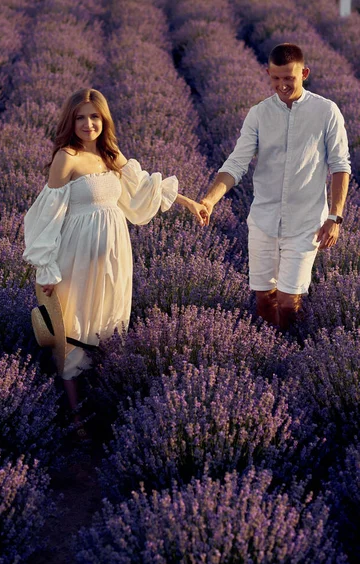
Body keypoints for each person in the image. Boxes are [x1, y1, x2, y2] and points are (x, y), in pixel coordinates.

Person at [23, 88, 208, 427]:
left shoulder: (111, 155)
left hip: (114, 254)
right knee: (74, 325)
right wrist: (46, 268)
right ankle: (76, 415)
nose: (88, 123)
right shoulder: (67, 157)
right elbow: (45, 216)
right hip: (75, 256)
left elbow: (144, 187)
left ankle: (104, 403)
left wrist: (189, 202)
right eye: (80, 117)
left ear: (104, 119)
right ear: (71, 120)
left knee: (108, 322)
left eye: (94, 116)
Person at [201, 43, 351, 330]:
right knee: (264, 299)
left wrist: (335, 217)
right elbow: (236, 163)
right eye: (276, 78)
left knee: (288, 301)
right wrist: (210, 200)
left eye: (289, 78)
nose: (282, 85)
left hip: (306, 223)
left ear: (304, 73)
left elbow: (340, 166)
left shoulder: (326, 111)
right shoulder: (259, 114)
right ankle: (269, 358)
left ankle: (293, 354)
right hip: (264, 220)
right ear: (267, 73)